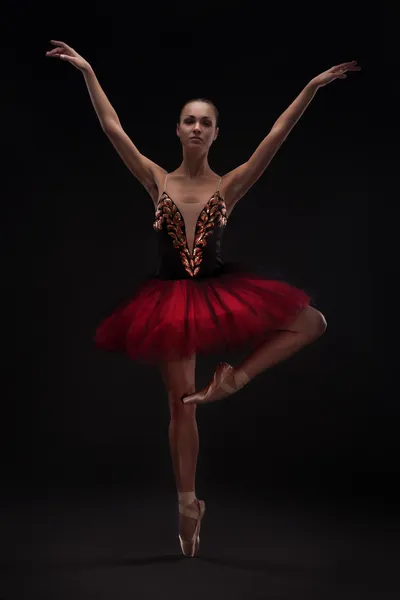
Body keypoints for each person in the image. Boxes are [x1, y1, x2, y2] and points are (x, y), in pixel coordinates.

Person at [46, 40, 360, 557]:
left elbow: (277, 135)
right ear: (177, 129)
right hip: (170, 300)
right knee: (181, 405)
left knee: (311, 322)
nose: (195, 127)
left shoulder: (230, 185)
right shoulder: (157, 180)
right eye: (188, 120)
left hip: (218, 290)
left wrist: (312, 87)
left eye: (205, 122)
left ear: (215, 134)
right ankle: (189, 503)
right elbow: (112, 129)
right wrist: (87, 70)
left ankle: (234, 378)